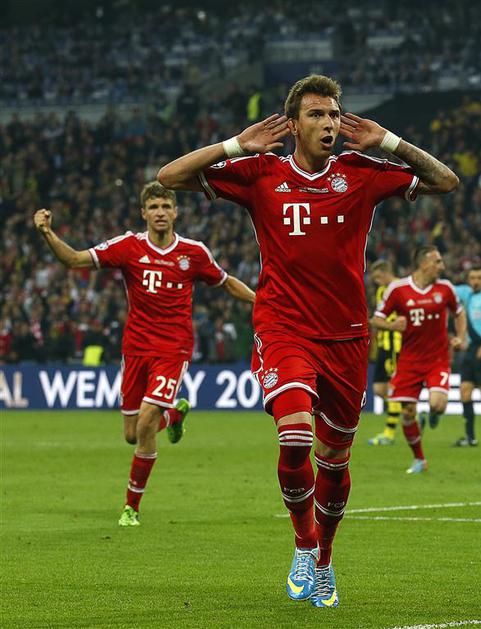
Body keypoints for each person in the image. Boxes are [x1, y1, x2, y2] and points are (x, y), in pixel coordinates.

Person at [157, 74, 459, 609]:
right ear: (293, 125)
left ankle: (324, 560)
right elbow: (169, 176)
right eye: (317, 114)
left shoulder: (362, 171)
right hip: (284, 328)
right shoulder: (260, 172)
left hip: (347, 337)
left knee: (335, 459)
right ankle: (303, 543)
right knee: (295, 434)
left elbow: (445, 181)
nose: (329, 123)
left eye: (334, 114)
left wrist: (389, 142)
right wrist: (236, 145)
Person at [33, 182, 255, 526]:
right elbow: (74, 259)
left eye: (165, 206)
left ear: (176, 212)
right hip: (135, 348)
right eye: (154, 207)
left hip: (173, 348)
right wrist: (47, 232)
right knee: (133, 434)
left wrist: (261, 301)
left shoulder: (194, 252)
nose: (160, 213)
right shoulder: (128, 247)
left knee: (148, 418)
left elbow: (225, 281)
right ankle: (174, 416)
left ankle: (130, 508)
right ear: (143, 213)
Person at [372, 246, 467, 473]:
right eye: (438, 262)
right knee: (407, 413)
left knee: (437, 404)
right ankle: (419, 460)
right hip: (409, 360)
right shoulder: (398, 290)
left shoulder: (445, 288)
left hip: (437, 359)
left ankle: (432, 415)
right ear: (424, 263)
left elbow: (459, 313)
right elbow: (376, 319)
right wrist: (392, 326)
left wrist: (460, 336)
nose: (442, 266)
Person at [368, 260, 402, 446]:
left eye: (378, 277)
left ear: (386, 272)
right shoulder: (382, 290)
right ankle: (410, 413)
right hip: (383, 344)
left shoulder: (401, 288)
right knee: (379, 389)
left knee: (392, 387)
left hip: (395, 345)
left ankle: (389, 433)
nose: (377, 282)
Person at [453, 266, 481, 447]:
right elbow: (444, 288)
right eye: (473, 278)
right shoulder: (465, 293)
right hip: (470, 350)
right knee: (465, 391)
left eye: (479, 278)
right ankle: (470, 437)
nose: (476, 281)